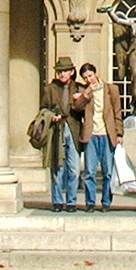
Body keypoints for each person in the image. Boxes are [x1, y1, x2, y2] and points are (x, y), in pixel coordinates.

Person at [41, 56, 88, 212]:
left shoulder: (79, 88)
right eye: (60, 71)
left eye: (65, 71)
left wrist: (80, 100)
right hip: (57, 129)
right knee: (57, 167)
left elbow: (85, 111)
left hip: (74, 129)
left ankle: (72, 201)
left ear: (72, 72)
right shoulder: (50, 88)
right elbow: (43, 108)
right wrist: (50, 116)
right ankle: (57, 201)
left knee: (74, 168)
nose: (62, 74)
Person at [76, 61, 123, 211]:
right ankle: (90, 202)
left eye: (90, 75)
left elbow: (117, 112)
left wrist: (119, 133)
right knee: (90, 171)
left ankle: (106, 201)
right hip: (91, 135)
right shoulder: (85, 91)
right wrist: (86, 92)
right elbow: (76, 107)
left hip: (107, 134)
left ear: (95, 73)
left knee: (107, 171)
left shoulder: (111, 89)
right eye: (85, 78)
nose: (89, 79)